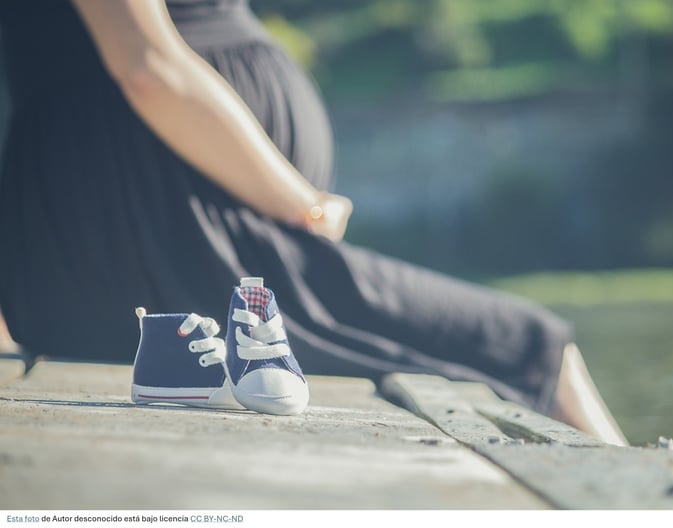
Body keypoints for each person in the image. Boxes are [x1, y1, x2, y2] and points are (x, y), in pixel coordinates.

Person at [0, 0, 627, 446]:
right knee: (531, 346)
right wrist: (301, 203)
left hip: (160, 230)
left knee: (528, 347)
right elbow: (148, 68)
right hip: (154, 227)